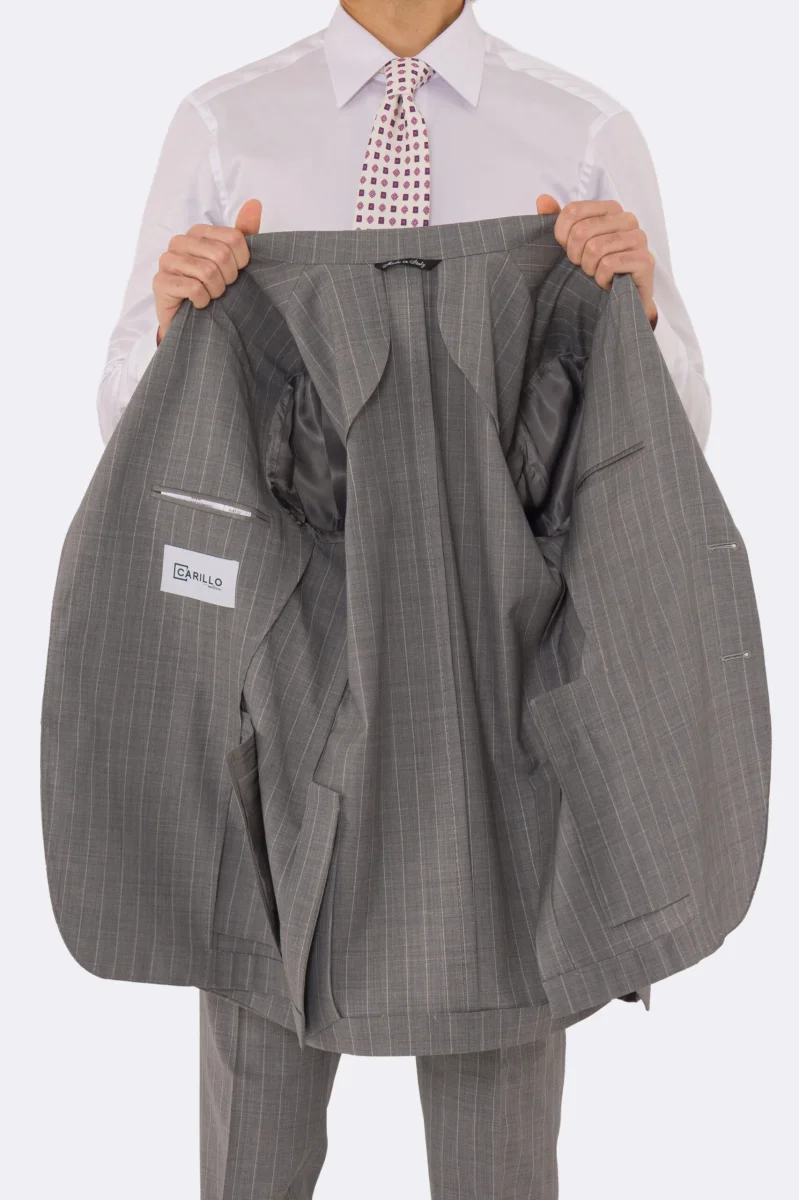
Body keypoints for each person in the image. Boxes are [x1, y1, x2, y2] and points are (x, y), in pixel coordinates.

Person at [94, 3, 714, 1195]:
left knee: (497, 1135)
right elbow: (129, 422)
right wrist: (174, 326)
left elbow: (671, 434)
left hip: (490, 669)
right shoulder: (224, 125)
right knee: (255, 1118)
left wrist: (633, 309)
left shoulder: (583, 131)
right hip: (280, 658)